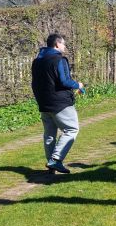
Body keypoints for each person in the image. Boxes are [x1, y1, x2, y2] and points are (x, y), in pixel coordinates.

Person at [31, 33, 84, 174]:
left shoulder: (37, 61)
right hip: (60, 103)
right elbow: (64, 81)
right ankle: (55, 159)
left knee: (49, 135)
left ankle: (51, 165)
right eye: (63, 44)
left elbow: (34, 83)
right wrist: (78, 84)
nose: (65, 46)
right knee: (71, 129)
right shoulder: (58, 59)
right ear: (57, 44)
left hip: (43, 103)